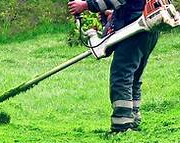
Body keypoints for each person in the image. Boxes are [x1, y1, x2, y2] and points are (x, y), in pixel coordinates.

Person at [68, 0, 159, 132]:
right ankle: (133, 118)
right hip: (147, 26)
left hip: (135, 29)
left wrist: (85, 5)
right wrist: (116, 14)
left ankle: (122, 124)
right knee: (134, 76)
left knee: (122, 77)